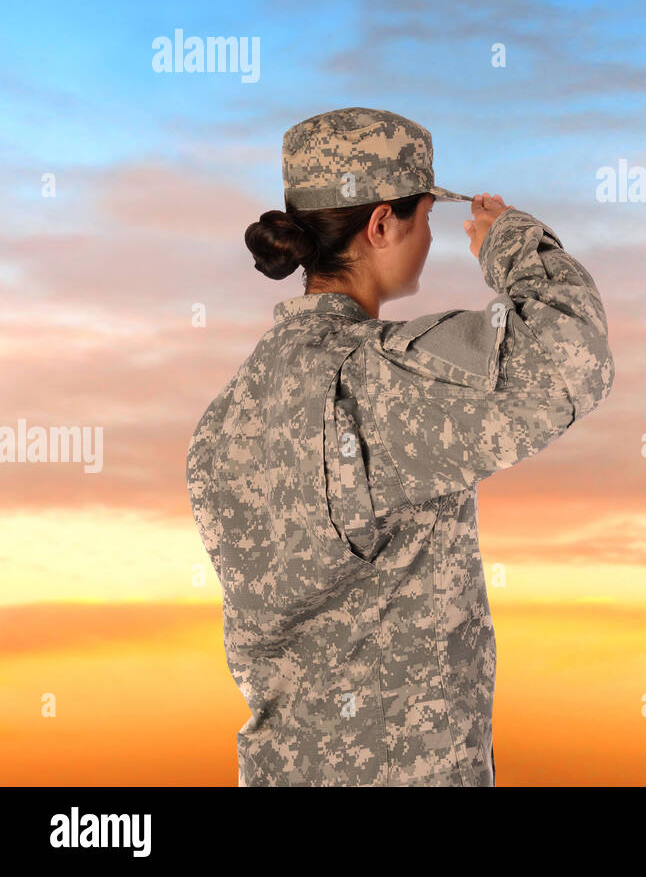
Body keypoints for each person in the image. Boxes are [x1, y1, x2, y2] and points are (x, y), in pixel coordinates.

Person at [185, 107, 614, 786]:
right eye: (425, 217)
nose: (431, 236)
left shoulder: (222, 421)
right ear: (381, 225)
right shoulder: (383, 380)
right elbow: (572, 356)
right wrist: (511, 244)